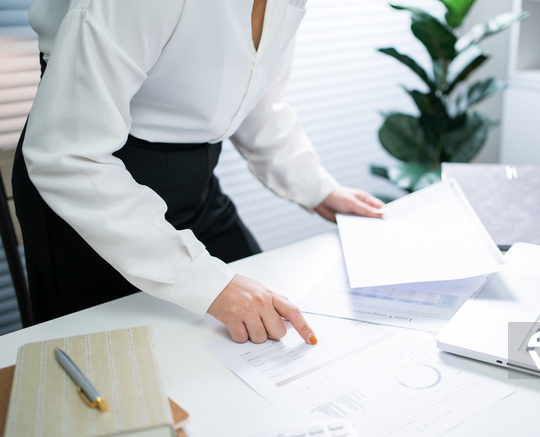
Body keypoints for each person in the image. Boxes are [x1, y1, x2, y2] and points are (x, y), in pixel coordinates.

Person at [12, 0, 384, 344]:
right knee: (126, 371)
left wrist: (316, 187)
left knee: (268, 325)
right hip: (92, 192)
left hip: (196, 181)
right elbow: (67, 153)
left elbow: (256, 105)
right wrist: (208, 285)